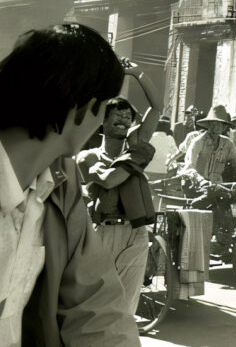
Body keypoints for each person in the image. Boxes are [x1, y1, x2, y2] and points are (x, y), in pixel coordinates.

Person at [0, 22, 140, 345]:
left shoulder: (62, 185)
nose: (103, 122)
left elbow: (96, 307)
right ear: (81, 107)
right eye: (105, 108)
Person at [77, 58, 161, 317]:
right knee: (98, 308)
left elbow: (157, 107)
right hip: (101, 233)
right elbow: (102, 184)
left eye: (128, 116)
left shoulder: (135, 147)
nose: (124, 120)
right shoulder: (87, 157)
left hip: (134, 233)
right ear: (102, 123)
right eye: (117, 116)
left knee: (126, 311)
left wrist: (138, 74)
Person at [175, 105, 236, 185]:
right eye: (215, 123)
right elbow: (189, 167)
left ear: (224, 127)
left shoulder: (227, 144)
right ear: (209, 124)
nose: (218, 127)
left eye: (221, 124)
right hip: (196, 187)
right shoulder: (198, 142)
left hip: (217, 187)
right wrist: (201, 181)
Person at [147, 116, 178, 181]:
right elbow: (175, 153)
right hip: (162, 170)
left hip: (147, 169)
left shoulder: (149, 137)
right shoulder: (169, 139)